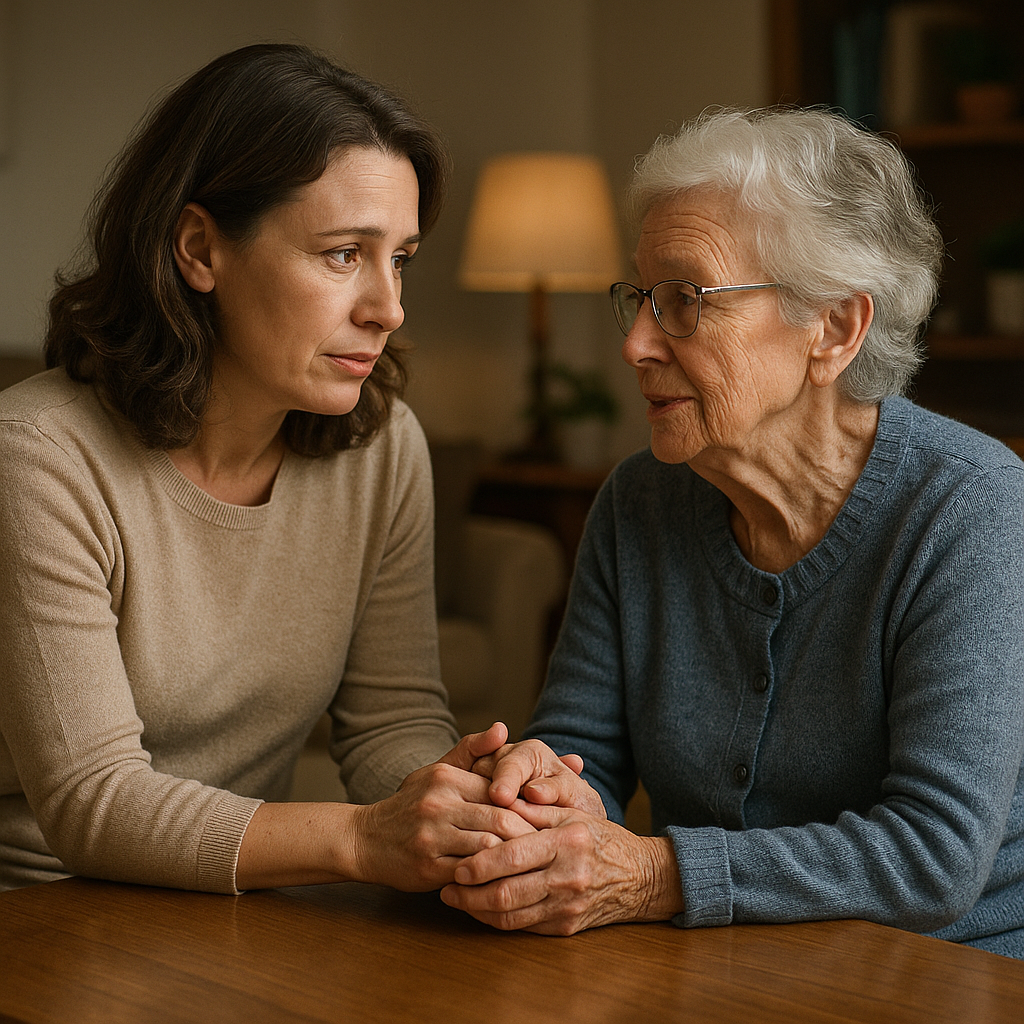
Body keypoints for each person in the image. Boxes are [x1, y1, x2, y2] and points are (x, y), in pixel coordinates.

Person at [440, 106, 1024, 958]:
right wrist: (536, 791)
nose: (637, 343)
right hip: (711, 960)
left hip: (945, 973)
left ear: (833, 328)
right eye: (640, 299)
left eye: (684, 301)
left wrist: (653, 874)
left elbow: (932, 859)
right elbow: (582, 752)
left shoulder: (969, 506)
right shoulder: (639, 499)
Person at [0, 43, 536, 895]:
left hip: (235, 908)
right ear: (199, 249)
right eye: (341, 254)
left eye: (400, 257)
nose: (388, 308)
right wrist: (362, 840)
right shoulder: (39, 456)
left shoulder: (382, 445)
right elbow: (90, 803)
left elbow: (390, 720)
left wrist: (477, 802)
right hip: (42, 912)